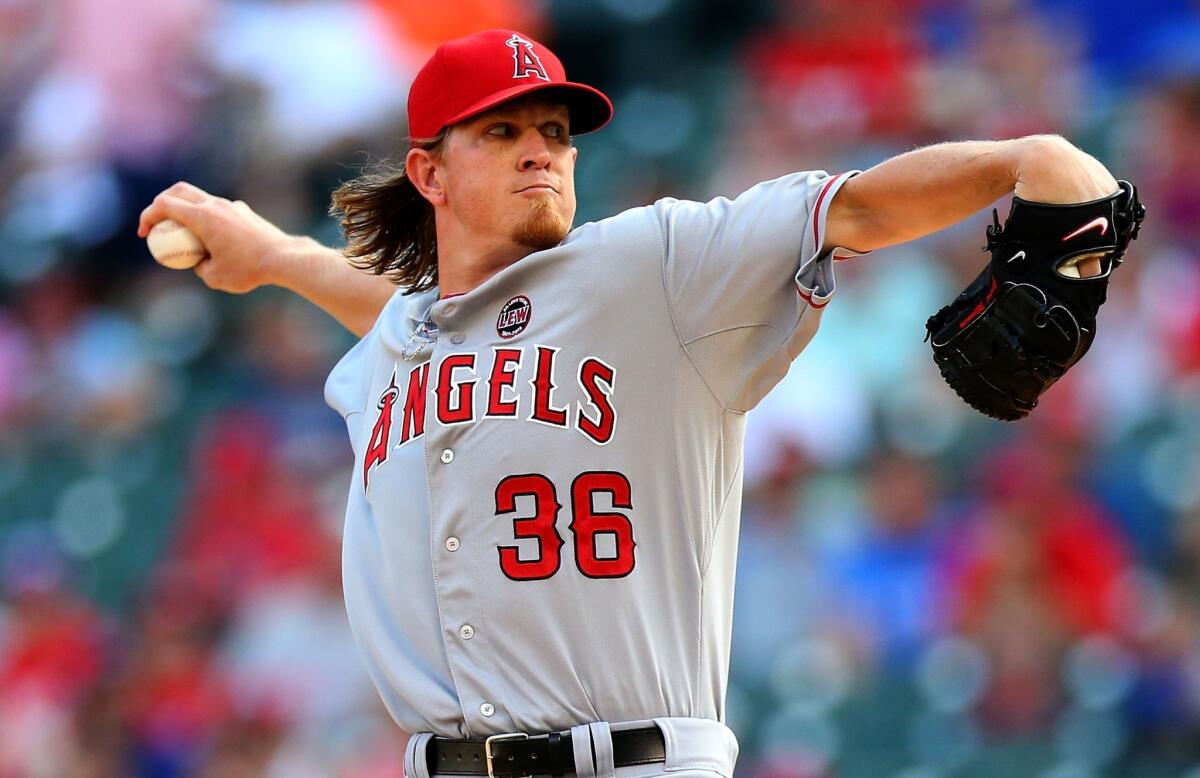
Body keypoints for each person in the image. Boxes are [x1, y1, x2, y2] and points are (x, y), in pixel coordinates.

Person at [137, 28, 1120, 778]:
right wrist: (277, 256)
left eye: (556, 132)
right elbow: (408, 315)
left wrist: (1022, 159)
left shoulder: (653, 267)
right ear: (430, 174)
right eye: (505, 130)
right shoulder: (412, 337)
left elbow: (850, 208)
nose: (542, 150)